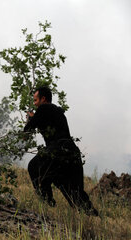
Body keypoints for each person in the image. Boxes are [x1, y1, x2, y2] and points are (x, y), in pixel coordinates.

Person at [24, 86, 98, 216]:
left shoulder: (44, 108)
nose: (35, 104)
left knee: (34, 167)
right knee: (75, 192)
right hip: (72, 152)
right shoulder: (57, 112)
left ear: (43, 99)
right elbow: (44, 123)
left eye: (35, 100)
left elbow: (27, 132)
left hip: (57, 151)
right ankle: (93, 217)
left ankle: (47, 201)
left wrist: (30, 119)